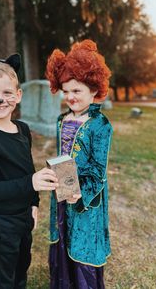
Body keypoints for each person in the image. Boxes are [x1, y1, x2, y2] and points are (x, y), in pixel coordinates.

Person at [0, 53, 58, 289]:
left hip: (23, 218)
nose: (0, 100)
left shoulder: (23, 129)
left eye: (7, 93)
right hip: (0, 222)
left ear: (18, 95)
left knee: (21, 270)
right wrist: (31, 183)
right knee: (2, 279)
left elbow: (25, 169)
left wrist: (34, 204)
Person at [45, 39, 113, 289]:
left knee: (82, 243)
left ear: (94, 90)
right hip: (61, 192)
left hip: (86, 200)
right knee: (64, 236)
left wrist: (81, 191)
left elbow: (98, 169)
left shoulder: (100, 125)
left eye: (76, 91)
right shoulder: (61, 119)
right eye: (65, 91)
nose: (70, 97)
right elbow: (62, 154)